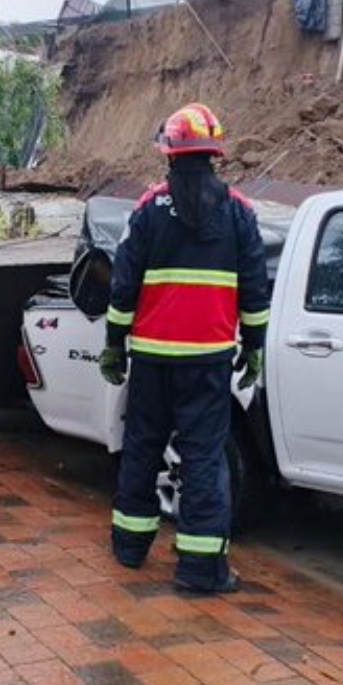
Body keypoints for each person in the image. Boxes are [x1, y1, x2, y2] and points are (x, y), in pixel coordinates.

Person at [99, 103, 270, 594]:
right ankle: (200, 569)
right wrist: (254, 346)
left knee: (142, 449)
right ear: (214, 154)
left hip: (152, 359)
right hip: (209, 360)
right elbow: (255, 289)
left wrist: (114, 344)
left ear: (169, 154)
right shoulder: (239, 211)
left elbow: (123, 287)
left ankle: (130, 549)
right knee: (203, 459)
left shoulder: (148, 209)